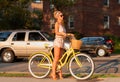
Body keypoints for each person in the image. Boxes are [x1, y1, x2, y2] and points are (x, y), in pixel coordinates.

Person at [51, 10, 74, 80]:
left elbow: (64, 34)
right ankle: (53, 73)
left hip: (62, 42)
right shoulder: (57, 23)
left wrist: (69, 35)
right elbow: (57, 32)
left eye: (63, 15)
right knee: (56, 58)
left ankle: (60, 74)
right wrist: (63, 34)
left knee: (60, 59)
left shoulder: (62, 24)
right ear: (58, 17)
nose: (63, 16)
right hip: (58, 41)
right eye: (61, 15)